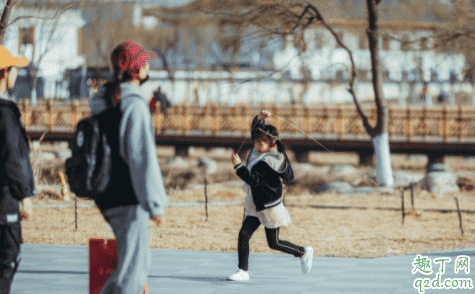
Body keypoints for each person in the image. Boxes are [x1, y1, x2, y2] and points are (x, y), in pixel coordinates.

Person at [88, 40, 168, 294]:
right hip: (128, 195)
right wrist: (155, 203)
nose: (147, 66)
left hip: (107, 192)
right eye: (144, 62)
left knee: (129, 267)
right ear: (134, 70)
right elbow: (141, 158)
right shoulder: (134, 104)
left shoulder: (107, 101)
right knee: (134, 270)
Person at [227, 110, 313, 281]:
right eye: (256, 141)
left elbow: (253, 180)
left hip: (267, 205)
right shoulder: (258, 150)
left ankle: (303, 252)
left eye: (262, 142)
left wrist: (238, 167)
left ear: (271, 145)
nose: (257, 144)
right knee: (244, 235)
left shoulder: (269, 161)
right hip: (254, 202)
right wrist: (259, 119)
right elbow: (256, 132)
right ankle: (243, 271)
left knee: (274, 243)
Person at [0, 45, 35, 293]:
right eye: (13, 69)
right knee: (6, 263)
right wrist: (24, 195)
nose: (15, 75)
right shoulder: (5, 113)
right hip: (4, 204)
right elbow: (13, 158)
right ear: (4, 73)